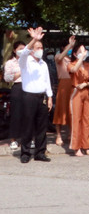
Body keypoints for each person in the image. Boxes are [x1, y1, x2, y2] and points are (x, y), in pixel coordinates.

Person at [17, 27, 53, 163]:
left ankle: (40, 152)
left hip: (41, 96)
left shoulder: (43, 64)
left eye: (41, 47)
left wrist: (49, 97)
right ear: (32, 49)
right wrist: (34, 40)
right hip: (29, 97)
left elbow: (47, 81)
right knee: (28, 125)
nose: (40, 49)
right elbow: (24, 52)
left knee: (42, 126)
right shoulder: (25, 62)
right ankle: (25, 153)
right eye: (37, 47)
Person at [68, 44, 89, 156]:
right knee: (76, 119)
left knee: (87, 119)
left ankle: (86, 145)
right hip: (76, 92)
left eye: (85, 51)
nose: (84, 53)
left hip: (86, 92)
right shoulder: (71, 64)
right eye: (80, 51)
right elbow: (73, 70)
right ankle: (76, 146)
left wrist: (86, 84)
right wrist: (81, 58)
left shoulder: (88, 65)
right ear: (75, 54)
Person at [51, 35, 75, 146]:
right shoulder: (58, 56)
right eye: (68, 46)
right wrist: (70, 45)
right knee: (60, 110)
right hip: (63, 84)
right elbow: (60, 58)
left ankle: (70, 133)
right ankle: (59, 135)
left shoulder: (73, 59)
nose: (70, 49)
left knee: (72, 110)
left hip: (73, 84)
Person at [3, 39, 26, 152]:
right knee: (16, 114)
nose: (22, 51)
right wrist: (20, 72)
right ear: (14, 50)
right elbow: (7, 78)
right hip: (17, 87)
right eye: (20, 49)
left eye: (24, 49)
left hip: (29, 88)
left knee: (29, 114)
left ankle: (28, 138)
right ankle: (13, 139)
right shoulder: (10, 63)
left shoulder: (29, 61)